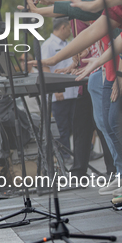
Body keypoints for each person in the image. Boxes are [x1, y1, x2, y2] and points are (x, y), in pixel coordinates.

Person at [41, 18, 79, 165]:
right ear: (63, 28)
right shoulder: (48, 45)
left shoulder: (69, 44)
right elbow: (45, 67)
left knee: (75, 125)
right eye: (69, 29)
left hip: (73, 91)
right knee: (62, 127)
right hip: (60, 94)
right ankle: (64, 155)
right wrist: (55, 88)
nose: (70, 32)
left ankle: (80, 153)